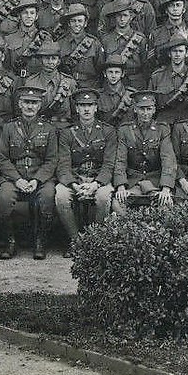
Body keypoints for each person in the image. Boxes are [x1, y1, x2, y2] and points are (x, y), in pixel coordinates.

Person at [0, 85, 59, 259]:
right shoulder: (8, 128)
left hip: (40, 178)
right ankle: (10, 241)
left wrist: (37, 180)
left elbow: (52, 160)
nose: (30, 106)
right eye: (26, 102)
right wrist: (17, 180)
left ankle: (40, 241)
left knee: (47, 198)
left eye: (34, 103)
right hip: (13, 178)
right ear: (19, 104)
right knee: (4, 199)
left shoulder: (49, 129)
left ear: (39, 106)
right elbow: (2, 158)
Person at [55, 88, 117, 252]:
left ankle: (95, 240)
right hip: (75, 179)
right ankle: (76, 241)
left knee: (104, 197)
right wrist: (74, 185)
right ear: (77, 108)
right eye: (82, 105)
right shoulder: (67, 133)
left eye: (90, 105)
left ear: (96, 107)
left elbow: (109, 164)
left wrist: (96, 185)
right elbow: (63, 165)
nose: (86, 109)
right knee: (61, 196)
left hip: (98, 179)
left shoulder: (108, 131)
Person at [112, 91, 177, 212]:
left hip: (155, 181)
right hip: (133, 181)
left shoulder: (162, 129)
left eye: (149, 109)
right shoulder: (124, 130)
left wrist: (166, 188)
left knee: (166, 204)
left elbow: (168, 159)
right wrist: (121, 186)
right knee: (117, 203)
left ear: (154, 110)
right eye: (142, 109)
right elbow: (120, 160)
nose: (145, 113)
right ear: (135, 109)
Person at [148, 34, 188, 125]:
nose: (177, 54)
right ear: (169, 54)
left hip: (187, 124)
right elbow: (150, 103)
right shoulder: (157, 76)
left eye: (180, 51)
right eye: (174, 51)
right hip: (164, 124)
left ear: (187, 53)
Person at [98, 0, 150, 90]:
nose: (122, 19)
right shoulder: (106, 40)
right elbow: (101, 65)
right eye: (119, 15)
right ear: (115, 17)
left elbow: (146, 66)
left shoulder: (140, 38)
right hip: (113, 84)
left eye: (125, 15)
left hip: (136, 82)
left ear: (131, 17)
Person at [25, 40, 77, 129]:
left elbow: (75, 112)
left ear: (59, 61)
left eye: (53, 58)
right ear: (41, 60)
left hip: (63, 129)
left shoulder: (69, 82)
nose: (50, 62)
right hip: (38, 129)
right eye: (46, 58)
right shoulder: (31, 82)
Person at [150, 0, 188, 65]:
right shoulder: (156, 33)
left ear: (184, 9)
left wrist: (185, 42)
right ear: (166, 10)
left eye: (178, 5)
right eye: (171, 6)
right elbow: (151, 63)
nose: (175, 9)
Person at [58, 3, 102, 88]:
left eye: (80, 21)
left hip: (89, 86)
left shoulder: (94, 44)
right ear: (69, 23)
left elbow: (100, 71)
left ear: (85, 23)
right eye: (73, 21)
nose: (77, 24)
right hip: (66, 87)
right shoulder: (60, 43)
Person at [98, 54, 136, 127]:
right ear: (104, 74)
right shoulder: (99, 96)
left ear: (123, 74)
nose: (113, 76)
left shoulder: (131, 94)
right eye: (110, 72)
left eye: (117, 72)